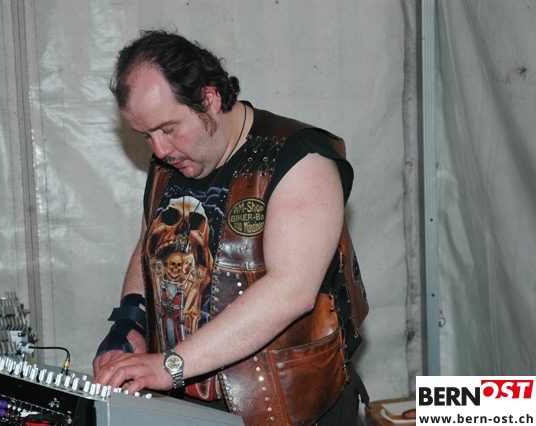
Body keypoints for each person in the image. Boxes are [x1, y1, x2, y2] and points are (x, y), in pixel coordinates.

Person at [93, 29, 369, 425]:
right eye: (146, 135)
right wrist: (130, 319)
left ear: (209, 98)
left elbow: (291, 291)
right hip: (188, 406)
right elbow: (149, 243)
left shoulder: (300, 158)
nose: (159, 149)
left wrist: (169, 365)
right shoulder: (173, 162)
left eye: (168, 128)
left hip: (293, 411)